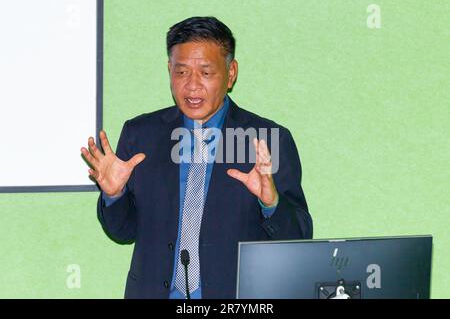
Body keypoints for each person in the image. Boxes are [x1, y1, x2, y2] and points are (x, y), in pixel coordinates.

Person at [81, 16, 312, 299]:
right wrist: (114, 196)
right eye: (181, 73)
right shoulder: (141, 135)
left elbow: (300, 238)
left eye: (205, 73)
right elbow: (123, 231)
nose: (191, 86)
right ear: (169, 70)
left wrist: (271, 203)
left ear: (231, 73)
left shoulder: (267, 139)